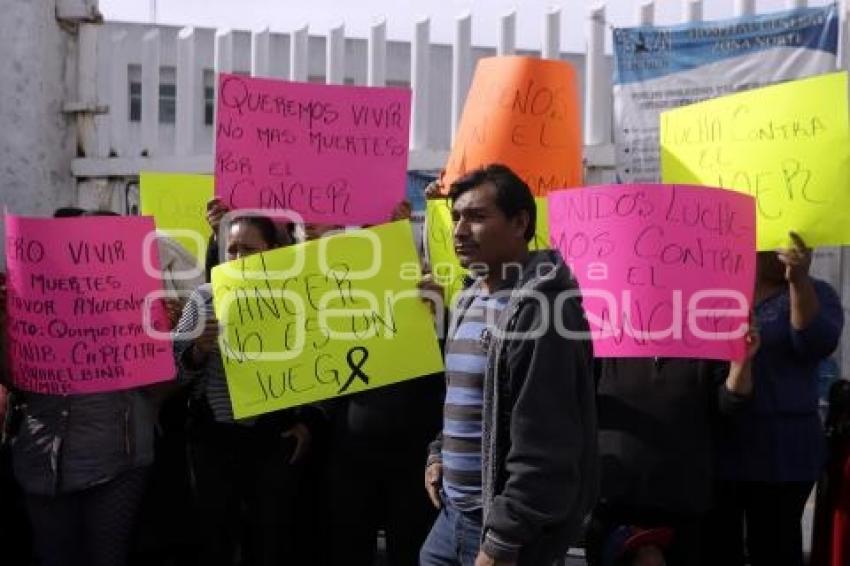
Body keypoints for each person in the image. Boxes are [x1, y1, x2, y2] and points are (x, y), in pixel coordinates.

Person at [419, 164, 598, 566]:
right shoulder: (468, 298)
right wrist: (438, 454)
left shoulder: (543, 313)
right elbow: (466, 400)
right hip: (452, 519)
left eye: (478, 217)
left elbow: (547, 441)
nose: (460, 231)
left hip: (500, 535)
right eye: (456, 217)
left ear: (520, 223)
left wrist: (502, 539)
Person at [5, 208, 158, 566]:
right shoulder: (35, 302)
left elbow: (160, 389)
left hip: (118, 463)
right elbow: (13, 377)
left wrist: (155, 332)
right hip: (43, 462)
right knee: (53, 555)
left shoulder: (136, 304)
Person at [173, 214, 322, 566]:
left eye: (248, 250)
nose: (238, 258)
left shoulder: (297, 298)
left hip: (273, 440)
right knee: (216, 537)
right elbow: (174, 375)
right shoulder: (204, 298)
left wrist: (308, 423)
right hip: (215, 441)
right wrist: (197, 352)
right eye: (232, 250)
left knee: (269, 538)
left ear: (270, 251)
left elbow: (321, 365)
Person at [710, 232, 844, 566]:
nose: (783, 250)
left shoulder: (818, 293)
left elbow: (816, 341)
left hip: (783, 454)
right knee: (718, 547)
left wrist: (797, 280)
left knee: (775, 548)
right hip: (721, 447)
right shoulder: (718, 293)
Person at [324, 199, 444, 566]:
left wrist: (439, 314)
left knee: (408, 548)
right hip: (350, 452)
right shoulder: (331, 286)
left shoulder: (426, 287)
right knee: (350, 546)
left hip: (412, 453)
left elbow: (447, 363)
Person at [586, 338, 759, 566]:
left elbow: (729, 405)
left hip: (682, 506)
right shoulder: (608, 339)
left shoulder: (707, 343)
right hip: (615, 501)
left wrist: (742, 361)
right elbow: (577, 400)